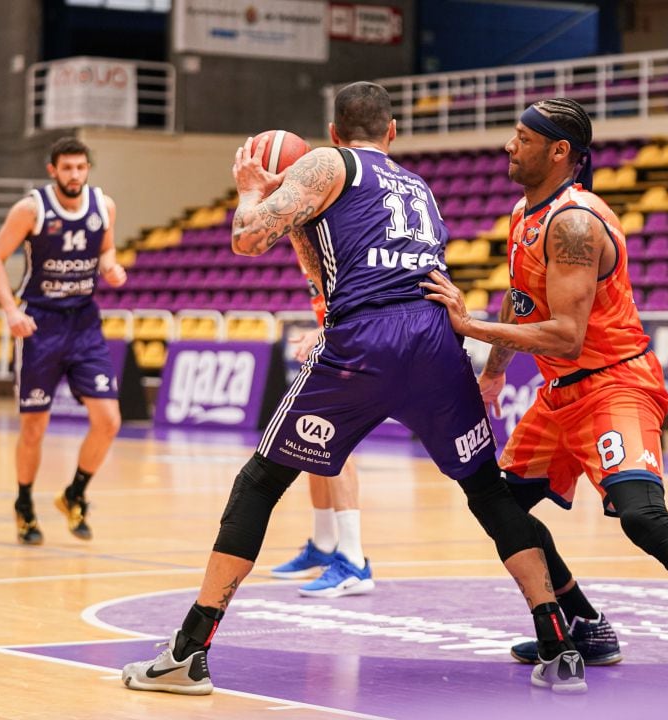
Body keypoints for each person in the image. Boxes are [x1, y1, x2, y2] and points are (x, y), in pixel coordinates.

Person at [122, 81, 597, 697]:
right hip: (434, 340)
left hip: (368, 342)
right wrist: (296, 218)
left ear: (336, 132)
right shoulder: (417, 186)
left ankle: (190, 653)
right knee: (485, 490)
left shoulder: (327, 163)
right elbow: (323, 262)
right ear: (392, 133)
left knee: (260, 482)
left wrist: (251, 192)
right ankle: (559, 644)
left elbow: (245, 239)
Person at [422, 98, 668, 694]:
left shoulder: (574, 223)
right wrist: (494, 373)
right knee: (499, 505)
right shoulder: (524, 214)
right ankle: (586, 624)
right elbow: (522, 303)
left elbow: (568, 337)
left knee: (643, 520)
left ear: (559, 151)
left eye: (521, 138)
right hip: (559, 396)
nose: (509, 147)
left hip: (615, 383)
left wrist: (471, 329)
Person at [0, 137, 127, 545]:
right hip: (40, 323)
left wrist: (111, 267)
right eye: (67, 168)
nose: (75, 175)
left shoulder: (104, 205)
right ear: (53, 170)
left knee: (109, 421)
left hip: (84, 322)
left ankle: (74, 494)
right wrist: (11, 311)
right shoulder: (31, 209)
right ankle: (25, 504)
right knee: (34, 426)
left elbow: (107, 248)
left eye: (81, 167)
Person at [272, 325, 373, 598]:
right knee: (315, 441)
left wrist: (328, 330)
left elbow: (366, 300)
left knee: (335, 441)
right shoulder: (315, 281)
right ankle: (325, 544)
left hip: (368, 346)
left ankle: (353, 560)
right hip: (344, 344)